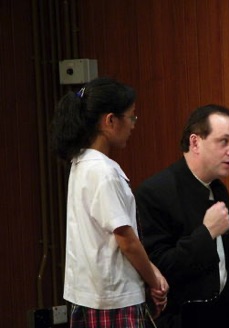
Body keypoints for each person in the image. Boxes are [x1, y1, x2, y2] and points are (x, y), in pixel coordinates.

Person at [51, 77, 169, 327]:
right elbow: (126, 239)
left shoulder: (80, 163)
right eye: (131, 117)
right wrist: (153, 279)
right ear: (110, 121)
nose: (134, 125)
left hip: (90, 294)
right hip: (114, 299)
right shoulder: (104, 171)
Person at [135, 104, 229, 328]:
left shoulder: (219, 190)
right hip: (180, 318)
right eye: (224, 141)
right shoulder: (156, 192)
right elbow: (159, 270)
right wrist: (207, 232)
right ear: (195, 142)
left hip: (221, 312)